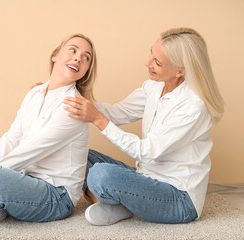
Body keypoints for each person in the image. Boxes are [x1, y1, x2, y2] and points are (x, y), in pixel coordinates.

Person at [63, 27, 224, 225]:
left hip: (179, 199)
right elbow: (116, 113)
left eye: (157, 62)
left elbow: (146, 152)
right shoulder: (154, 86)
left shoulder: (193, 106)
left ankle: (122, 203)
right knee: (78, 155)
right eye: (151, 54)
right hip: (145, 178)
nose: (147, 63)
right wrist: (61, 93)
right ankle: (123, 204)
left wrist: (98, 119)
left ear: (180, 71)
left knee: (100, 174)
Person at [0, 33, 97, 228]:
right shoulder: (35, 93)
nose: (78, 58)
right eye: (73, 50)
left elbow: (30, 150)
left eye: (86, 58)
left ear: (86, 71)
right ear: (55, 55)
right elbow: (12, 138)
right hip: (24, 176)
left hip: (56, 195)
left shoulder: (73, 107)